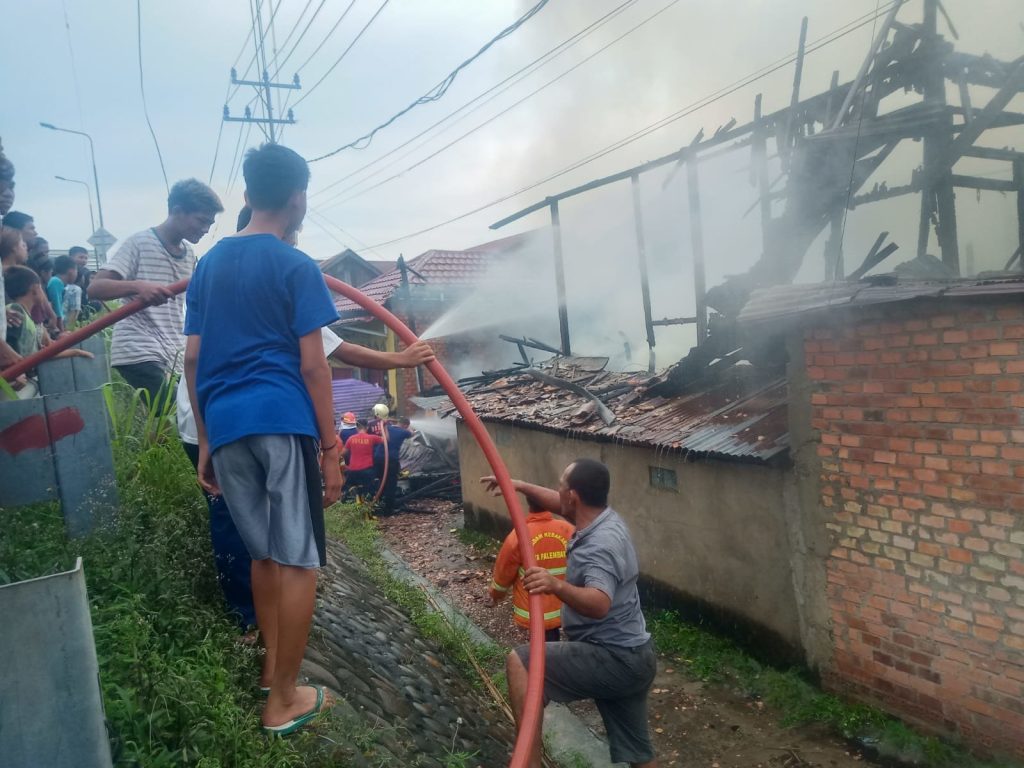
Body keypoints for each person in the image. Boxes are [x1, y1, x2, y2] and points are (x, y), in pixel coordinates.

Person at [483, 459, 658, 768]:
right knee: (638, 753)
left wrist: (555, 585)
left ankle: (529, 762)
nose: (557, 490)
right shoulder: (604, 519)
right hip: (636, 654)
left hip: (613, 656)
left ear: (573, 496)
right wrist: (519, 485)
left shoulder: (599, 545)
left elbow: (599, 601)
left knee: (521, 662)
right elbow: (559, 501)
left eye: (561, 485)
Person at [89, 178, 224, 408]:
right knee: (171, 412)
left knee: (184, 414)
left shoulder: (189, 254)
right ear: (177, 211)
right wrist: (137, 286)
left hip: (172, 348)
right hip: (138, 347)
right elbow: (95, 288)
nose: (205, 229)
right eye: (201, 221)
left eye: (209, 224)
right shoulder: (140, 242)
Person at [489, 496, 575, 642]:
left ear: (528, 505)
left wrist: (496, 594)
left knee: (541, 649)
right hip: (564, 604)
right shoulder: (567, 529)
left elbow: (504, 572)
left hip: (533, 608)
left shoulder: (518, 535)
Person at [5, 265, 93, 372]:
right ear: (35, 289)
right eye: (41, 288)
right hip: (15, 378)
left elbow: (36, 356)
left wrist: (76, 352)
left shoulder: (29, 318)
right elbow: (12, 351)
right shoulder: (15, 311)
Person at [373, 415, 413, 516]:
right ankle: (388, 510)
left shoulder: (387, 427)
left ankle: (376, 507)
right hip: (390, 460)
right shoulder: (404, 431)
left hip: (378, 458)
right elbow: (411, 433)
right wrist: (408, 426)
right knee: (391, 484)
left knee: (381, 481)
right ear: (405, 425)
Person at [341, 420, 382, 501]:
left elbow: (343, 453)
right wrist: (384, 426)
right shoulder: (372, 438)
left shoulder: (351, 439)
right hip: (367, 471)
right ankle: (367, 506)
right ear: (367, 427)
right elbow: (386, 439)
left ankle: (354, 495)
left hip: (352, 471)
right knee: (369, 492)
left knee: (349, 488)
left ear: (357, 428)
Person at [46, 255, 77, 332]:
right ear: (71, 271)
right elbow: (57, 309)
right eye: (76, 271)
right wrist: (62, 331)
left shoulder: (57, 282)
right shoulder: (56, 282)